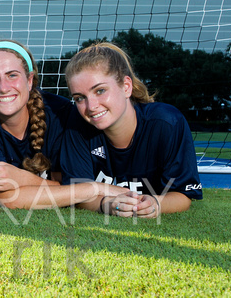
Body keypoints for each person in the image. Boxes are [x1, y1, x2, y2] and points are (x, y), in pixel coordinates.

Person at [0, 41, 126, 209]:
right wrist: (94, 188)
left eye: (12, 75)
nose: (3, 88)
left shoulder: (61, 113)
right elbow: (8, 197)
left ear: (30, 79)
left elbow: (72, 184)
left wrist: (23, 179)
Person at [61, 42, 203, 217]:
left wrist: (156, 204)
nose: (91, 106)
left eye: (100, 91)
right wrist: (107, 204)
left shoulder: (166, 123)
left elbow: (183, 195)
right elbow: (79, 194)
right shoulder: (77, 127)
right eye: (80, 98)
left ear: (126, 86)